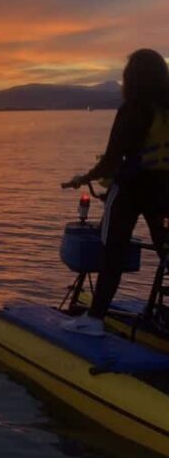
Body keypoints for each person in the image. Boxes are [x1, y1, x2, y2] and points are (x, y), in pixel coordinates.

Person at [64, 48, 169, 335]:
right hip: (164, 192)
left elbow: (112, 159)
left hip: (130, 192)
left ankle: (95, 320)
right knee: (166, 252)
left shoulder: (132, 109)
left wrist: (84, 177)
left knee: (113, 252)